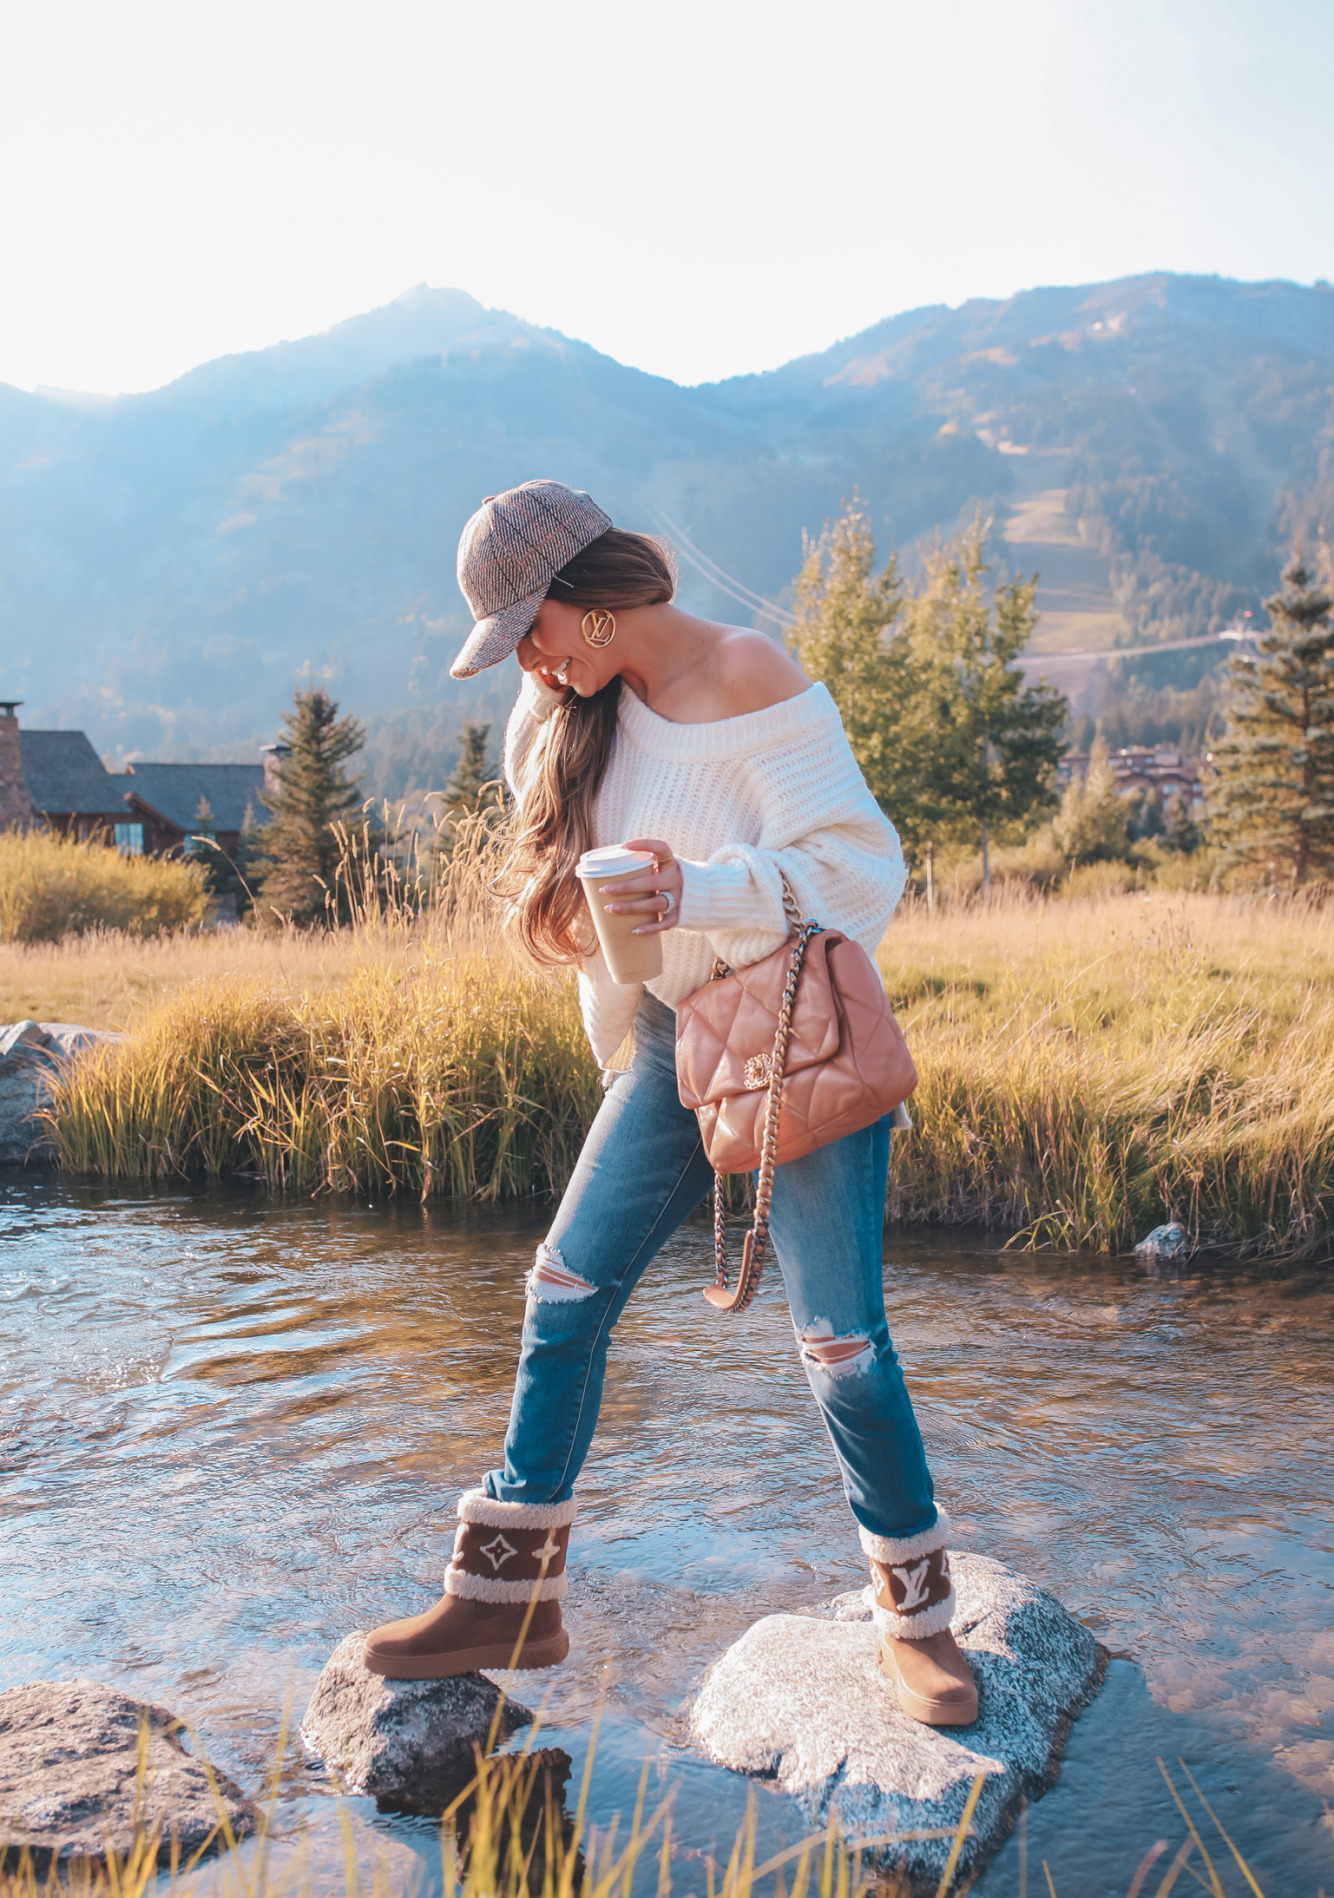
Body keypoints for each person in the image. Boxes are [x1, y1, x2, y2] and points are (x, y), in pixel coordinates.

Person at [364, 480, 977, 1728]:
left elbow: (861, 869)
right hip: (661, 1041)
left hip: (793, 1031)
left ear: (585, 606)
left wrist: (696, 886)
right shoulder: (555, 715)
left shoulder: (751, 675)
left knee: (840, 1348)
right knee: (561, 1291)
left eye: (528, 630)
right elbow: (566, 883)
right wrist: (562, 906)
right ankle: (506, 1595)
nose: (523, 661)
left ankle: (916, 1619)